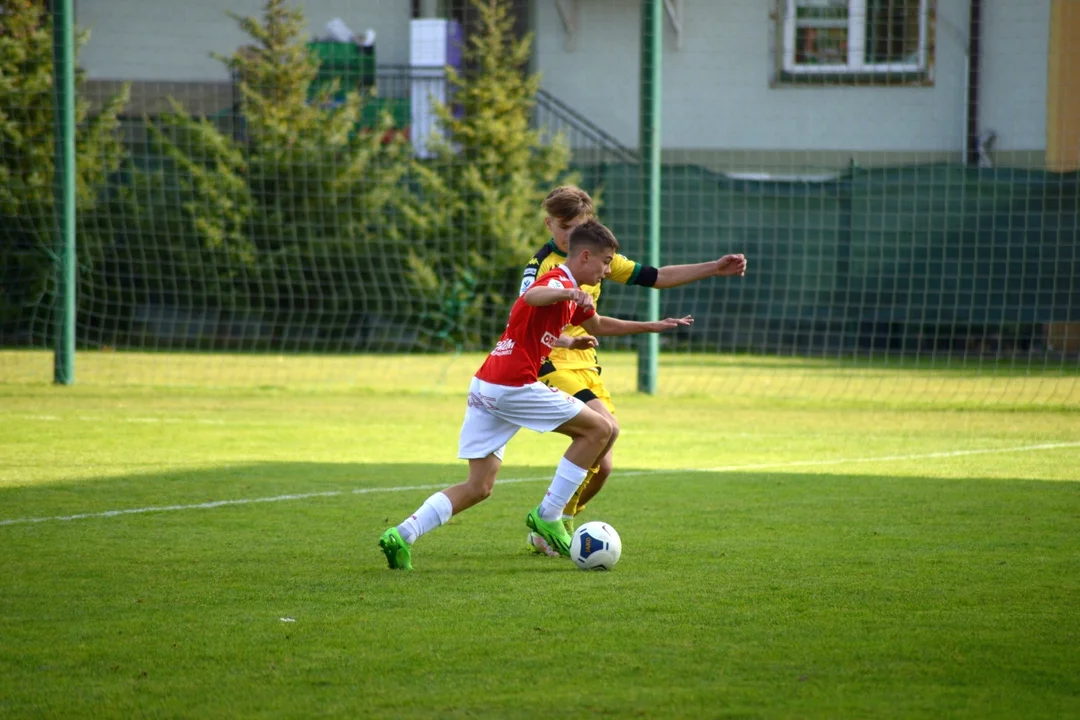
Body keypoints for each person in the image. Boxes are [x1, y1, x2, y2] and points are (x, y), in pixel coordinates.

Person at [378, 220, 694, 570]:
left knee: (479, 486)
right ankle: (549, 515)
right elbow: (532, 296)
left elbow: (598, 324)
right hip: (513, 385)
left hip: (486, 384)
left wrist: (649, 327)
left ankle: (402, 535)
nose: (608, 269)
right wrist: (566, 293)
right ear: (585, 256)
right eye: (605, 261)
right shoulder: (557, 280)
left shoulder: (577, 291)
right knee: (600, 429)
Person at [524, 186, 747, 555]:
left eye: (579, 226)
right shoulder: (543, 268)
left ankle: (556, 521)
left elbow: (655, 276)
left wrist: (714, 268)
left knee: (605, 466)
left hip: (587, 367)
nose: (571, 235)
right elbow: (526, 310)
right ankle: (548, 521)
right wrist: (562, 325)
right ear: (550, 224)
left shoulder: (596, 259)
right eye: (565, 228)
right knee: (604, 428)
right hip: (550, 362)